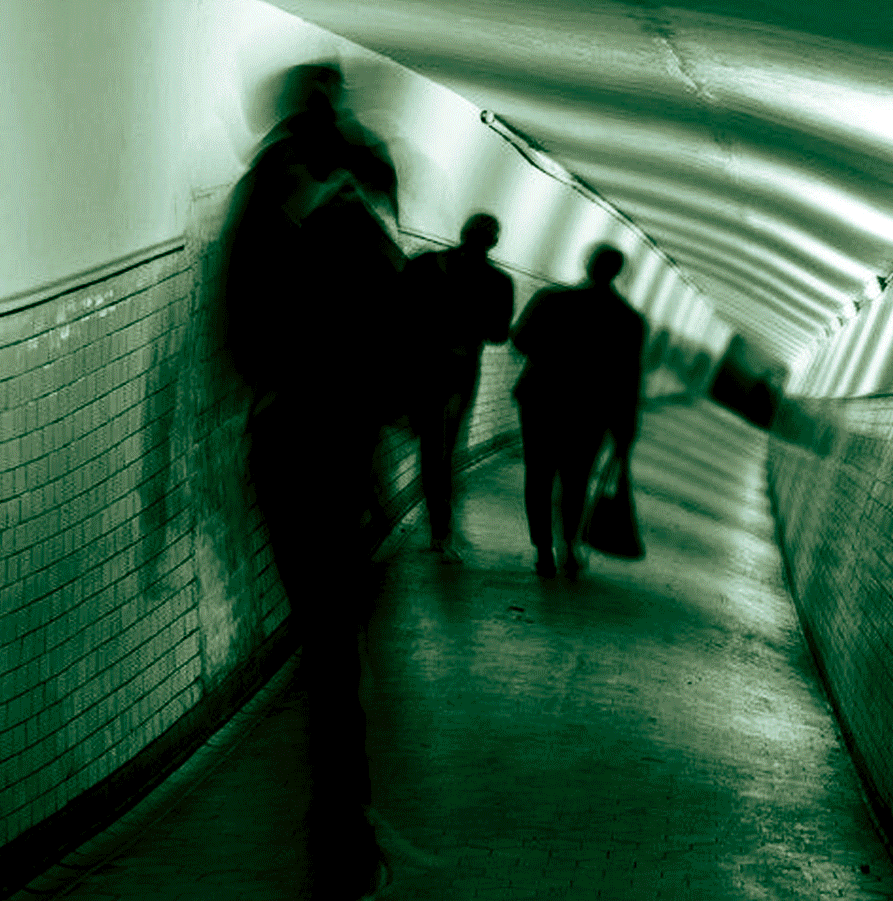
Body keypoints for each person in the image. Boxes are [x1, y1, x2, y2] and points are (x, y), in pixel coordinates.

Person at [224, 78, 405, 899]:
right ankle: (345, 834)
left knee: (326, 639)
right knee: (333, 647)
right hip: (330, 448)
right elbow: (392, 342)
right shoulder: (357, 231)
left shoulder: (259, 205)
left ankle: (341, 830)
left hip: (283, 444)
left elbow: (238, 327)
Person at [511, 245, 646, 579]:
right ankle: (569, 547)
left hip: (541, 400)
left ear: (587, 264)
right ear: (618, 273)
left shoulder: (551, 299)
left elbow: (520, 338)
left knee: (538, 475)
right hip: (592, 411)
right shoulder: (629, 320)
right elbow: (629, 380)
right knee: (576, 480)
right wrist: (626, 431)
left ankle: (543, 550)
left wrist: (551, 355)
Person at [404, 214, 514, 562]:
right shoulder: (499, 282)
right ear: (494, 242)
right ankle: (440, 529)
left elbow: (399, 308)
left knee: (430, 446)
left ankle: (439, 523)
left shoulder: (426, 264)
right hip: (459, 371)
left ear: (463, 232)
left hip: (418, 367)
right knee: (443, 449)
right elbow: (499, 334)